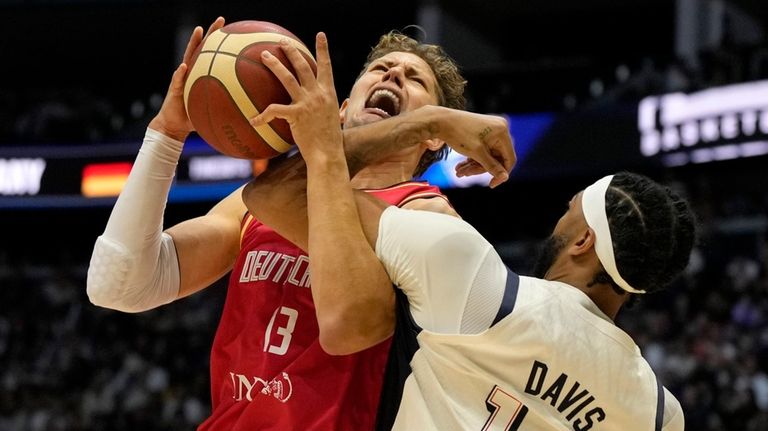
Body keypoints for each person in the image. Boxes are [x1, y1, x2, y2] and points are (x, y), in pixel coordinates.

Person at [242, 31, 696, 430]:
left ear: (583, 240)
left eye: (569, 209)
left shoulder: (477, 282)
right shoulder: (659, 413)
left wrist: (425, 121)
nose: (560, 217)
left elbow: (277, 194)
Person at [86, 17, 514, 431]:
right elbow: (122, 284)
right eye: (381, 69)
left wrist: (418, 122)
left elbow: (352, 326)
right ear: (341, 111)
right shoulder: (260, 201)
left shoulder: (425, 215)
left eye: (414, 79)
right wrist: (166, 134)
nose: (393, 76)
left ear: (436, 138)